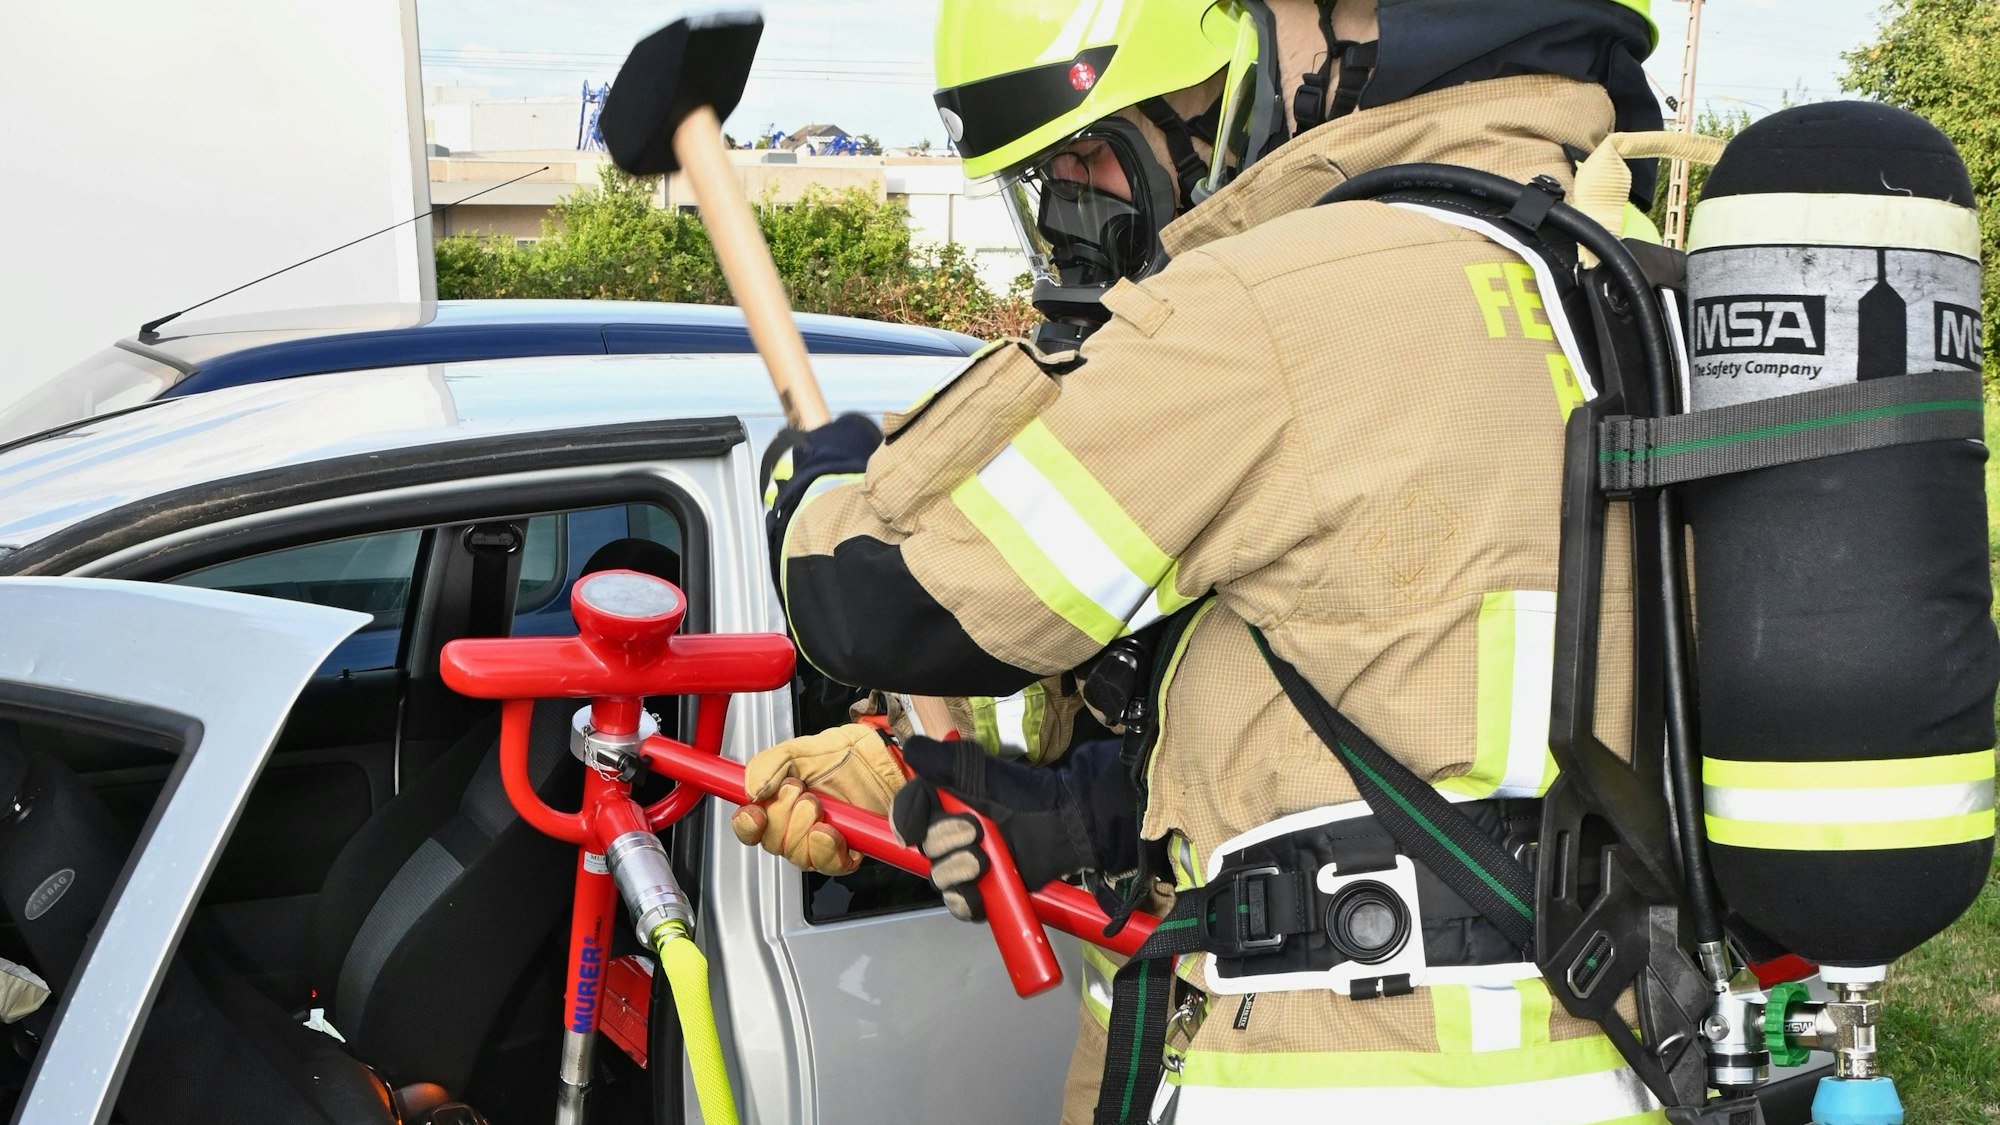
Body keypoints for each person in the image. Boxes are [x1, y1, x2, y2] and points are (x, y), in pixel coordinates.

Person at [744, 0, 1669, 1121]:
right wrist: (1057, 808)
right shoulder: (1629, 284)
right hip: (1609, 1044)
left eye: (1089, 155)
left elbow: (891, 605)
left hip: (1348, 1065)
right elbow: (1396, 675)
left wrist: (819, 481)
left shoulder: (1275, 302)